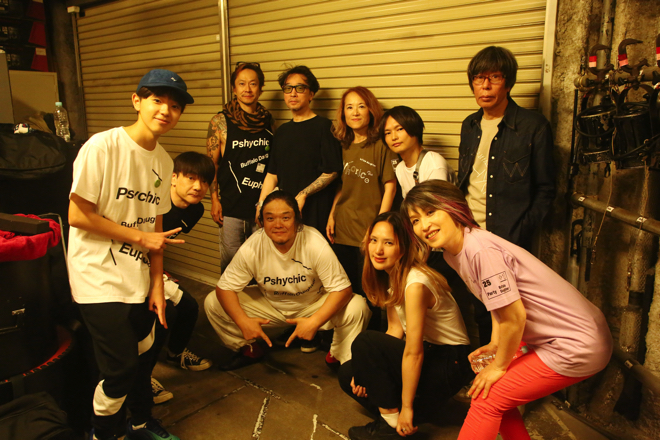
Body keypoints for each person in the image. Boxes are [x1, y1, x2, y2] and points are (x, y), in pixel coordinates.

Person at [402, 180, 612, 440]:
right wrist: (496, 343)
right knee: (487, 383)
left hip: (577, 342)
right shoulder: (454, 252)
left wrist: (500, 366)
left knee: (487, 396)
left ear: (453, 207)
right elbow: (497, 301)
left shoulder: (480, 251)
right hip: (560, 335)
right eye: (415, 220)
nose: (424, 225)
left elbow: (514, 317)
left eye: (430, 212)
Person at [67, 69, 194, 440]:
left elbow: (156, 230)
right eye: (157, 101)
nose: (165, 111)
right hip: (96, 273)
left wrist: (157, 283)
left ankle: (139, 420)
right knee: (120, 368)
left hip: (136, 274)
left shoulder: (165, 163)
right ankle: (104, 433)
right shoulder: (103, 146)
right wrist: (139, 237)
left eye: (175, 106)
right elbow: (78, 215)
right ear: (137, 101)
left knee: (143, 353)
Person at [338, 212, 473, 439]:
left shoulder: (416, 284)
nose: (378, 250)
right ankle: (409, 414)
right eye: (374, 240)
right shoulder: (395, 276)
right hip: (429, 354)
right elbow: (394, 331)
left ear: (403, 248)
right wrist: (365, 370)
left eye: (388, 243)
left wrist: (407, 407)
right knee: (348, 373)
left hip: (448, 362)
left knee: (365, 341)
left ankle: (393, 425)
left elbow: (414, 352)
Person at [204, 190, 371, 370]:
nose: (278, 225)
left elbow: (342, 289)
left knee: (357, 307)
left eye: (285, 218)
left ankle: (339, 355)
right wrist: (242, 321)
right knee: (214, 302)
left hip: (311, 305)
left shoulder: (314, 241)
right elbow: (225, 288)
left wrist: (314, 322)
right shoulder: (253, 245)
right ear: (261, 222)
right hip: (270, 306)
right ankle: (249, 349)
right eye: (270, 218)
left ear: (297, 219)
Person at [458, 46, 555, 253]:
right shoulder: (469, 125)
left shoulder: (533, 126)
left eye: (495, 77)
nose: (486, 86)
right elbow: (464, 180)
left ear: (508, 83)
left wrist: (521, 230)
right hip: (468, 233)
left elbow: (546, 189)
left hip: (509, 240)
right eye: (479, 78)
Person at [327, 86, 397, 330]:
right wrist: (332, 215)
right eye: (349, 107)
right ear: (343, 113)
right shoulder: (342, 145)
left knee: (371, 292)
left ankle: (369, 340)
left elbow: (390, 187)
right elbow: (341, 185)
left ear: (371, 111)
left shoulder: (381, 145)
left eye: (361, 106)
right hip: (343, 228)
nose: (355, 112)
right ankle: (346, 339)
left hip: (368, 230)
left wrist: (378, 229)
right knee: (345, 290)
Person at [150, 151, 215, 405]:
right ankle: (142, 377)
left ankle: (175, 354)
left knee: (188, 307)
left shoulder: (195, 210)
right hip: (128, 262)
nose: (198, 186)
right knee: (157, 316)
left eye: (205, 181)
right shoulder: (154, 201)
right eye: (191, 178)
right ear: (173, 178)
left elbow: (163, 244)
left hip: (153, 263)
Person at [256, 65, 343, 236]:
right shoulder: (282, 131)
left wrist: (303, 194)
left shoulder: (324, 127)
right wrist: (260, 205)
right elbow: (272, 174)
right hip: (286, 215)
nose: (293, 93)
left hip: (316, 214)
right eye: (288, 88)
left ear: (311, 94)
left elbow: (332, 171)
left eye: (300, 88)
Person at [206, 62, 275, 272]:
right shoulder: (220, 122)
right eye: (242, 84)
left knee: (262, 264)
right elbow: (212, 164)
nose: (248, 89)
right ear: (234, 89)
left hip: (261, 206)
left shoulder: (267, 120)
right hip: (231, 207)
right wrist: (214, 200)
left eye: (253, 84)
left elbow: (274, 163)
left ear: (260, 88)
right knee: (232, 266)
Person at [380, 105, 453, 198]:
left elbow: (438, 205)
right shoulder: (400, 168)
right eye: (388, 133)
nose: (393, 137)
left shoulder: (433, 164)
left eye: (400, 129)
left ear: (414, 128)